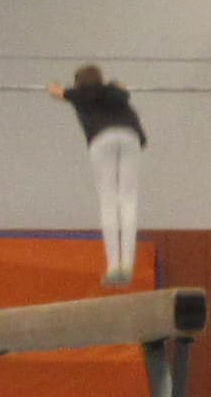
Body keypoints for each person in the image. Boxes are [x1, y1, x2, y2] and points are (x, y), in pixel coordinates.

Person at [54, 65, 144, 287]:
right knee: (128, 199)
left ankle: (114, 266)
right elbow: (121, 93)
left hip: (102, 139)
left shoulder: (81, 94)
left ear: (78, 84)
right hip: (130, 137)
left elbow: (67, 93)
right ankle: (127, 265)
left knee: (108, 200)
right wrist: (118, 88)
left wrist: (55, 89)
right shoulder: (116, 92)